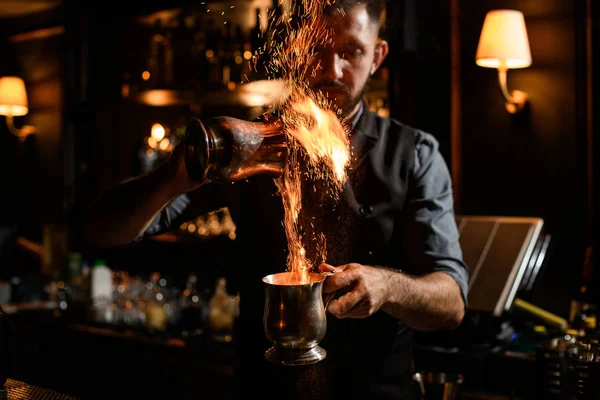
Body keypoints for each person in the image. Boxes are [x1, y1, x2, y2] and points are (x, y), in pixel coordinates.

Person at [83, 0, 468, 398]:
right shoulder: (252, 143)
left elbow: (452, 304)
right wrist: (170, 177)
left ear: (377, 56)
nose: (331, 69)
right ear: (293, 48)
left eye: (350, 51)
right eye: (317, 48)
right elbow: (102, 232)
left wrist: (387, 286)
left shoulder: (415, 154)